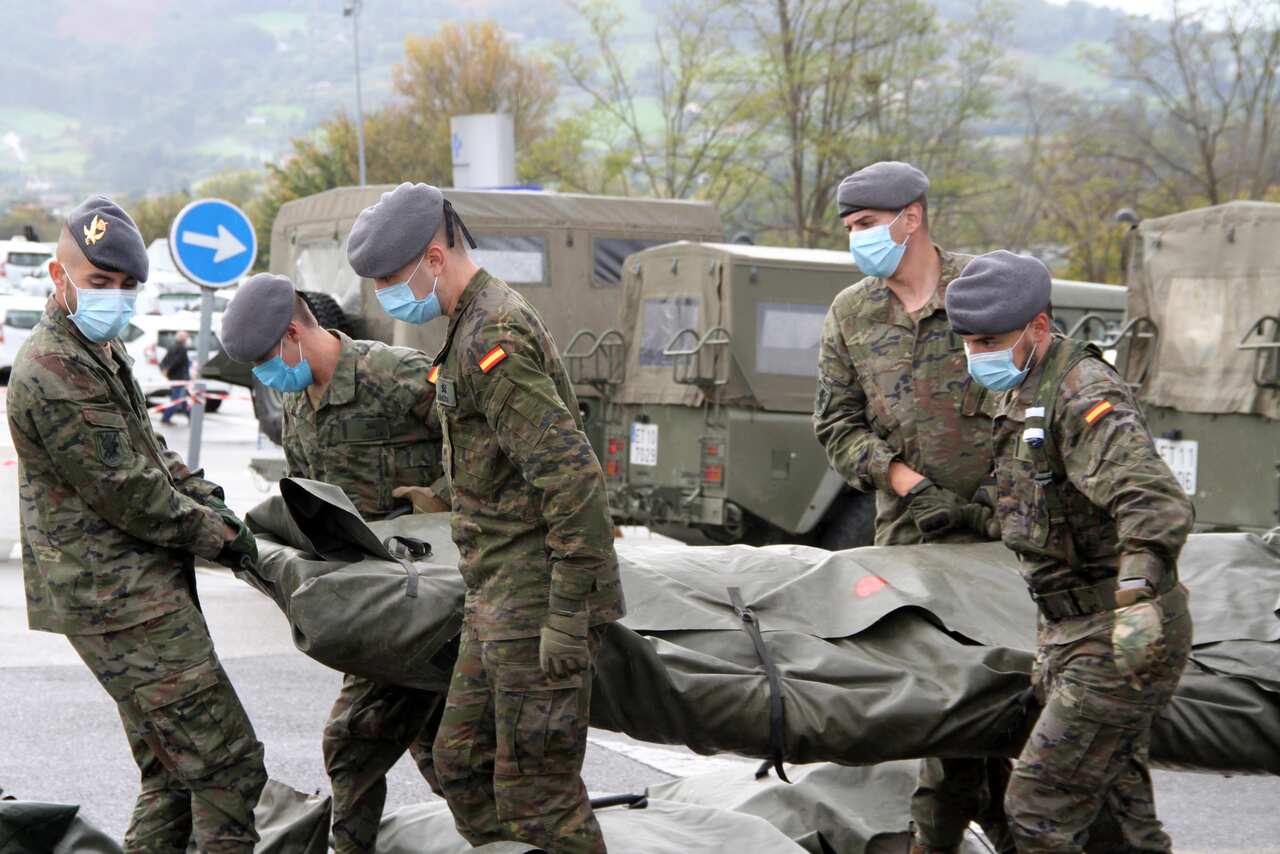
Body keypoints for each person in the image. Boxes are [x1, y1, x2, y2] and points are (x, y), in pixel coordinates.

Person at [347, 182, 626, 853]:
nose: (387, 293)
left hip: (534, 597)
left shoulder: (490, 336)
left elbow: (571, 476)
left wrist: (568, 611)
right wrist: (444, 494)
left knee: (539, 792)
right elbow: (500, 454)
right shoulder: (470, 325)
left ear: (434, 257)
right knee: (463, 763)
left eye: (391, 278)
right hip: (493, 593)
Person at [6, 196, 266, 853]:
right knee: (227, 770)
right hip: (121, 601)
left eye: (127, 287)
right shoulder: (53, 370)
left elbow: (148, 451)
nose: (116, 298)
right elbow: (132, 494)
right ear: (59, 278)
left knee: (175, 775)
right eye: (100, 283)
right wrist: (225, 539)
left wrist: (213, 500)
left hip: (131, 590)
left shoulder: (96, 346)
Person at [945, 251, 1194, 854]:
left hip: (1117, 633)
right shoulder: (1022, 391)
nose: (979, 355)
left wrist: (1137, 596)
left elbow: (1153, 500)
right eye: (970, 343)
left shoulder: (1081, 392)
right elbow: (1040, 507)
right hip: (1067, 629)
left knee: (1036, 809)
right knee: (1119, 818)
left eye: (990, 341)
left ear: (1038, 325)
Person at [813, 161, 1012, 853]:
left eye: (866, 225)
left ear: (912, 216)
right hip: (914, 543)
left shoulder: (985, 289)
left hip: (1007, 541)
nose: (858, 241)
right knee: (946, 707)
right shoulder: (853, 314)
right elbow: (835, 425)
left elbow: (1041, 397)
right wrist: (905, 482)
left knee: (1008, 701)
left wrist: (1004, 502)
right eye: (850, 230)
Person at [218, 271, 449, 853]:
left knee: (364, 743)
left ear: (294, 331)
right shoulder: (297, 404)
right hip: (374, 604)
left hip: (439, 595)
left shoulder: (393, 374)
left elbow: (491, 437)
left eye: (268, 358)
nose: (268, 374)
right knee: (433, 749)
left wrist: (443, 494)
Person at [160, 329, 191, 423]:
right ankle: (166, 418)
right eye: (186, 337)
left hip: (174, 378)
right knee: (176, 399)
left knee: (184, 399)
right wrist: (168, 370)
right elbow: (177, 362)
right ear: (183, 338)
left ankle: (192, 418)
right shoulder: (182, 349)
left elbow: (164, 361)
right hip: (181, 378)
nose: (188, 339)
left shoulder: (172, 347)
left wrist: (165, 370)